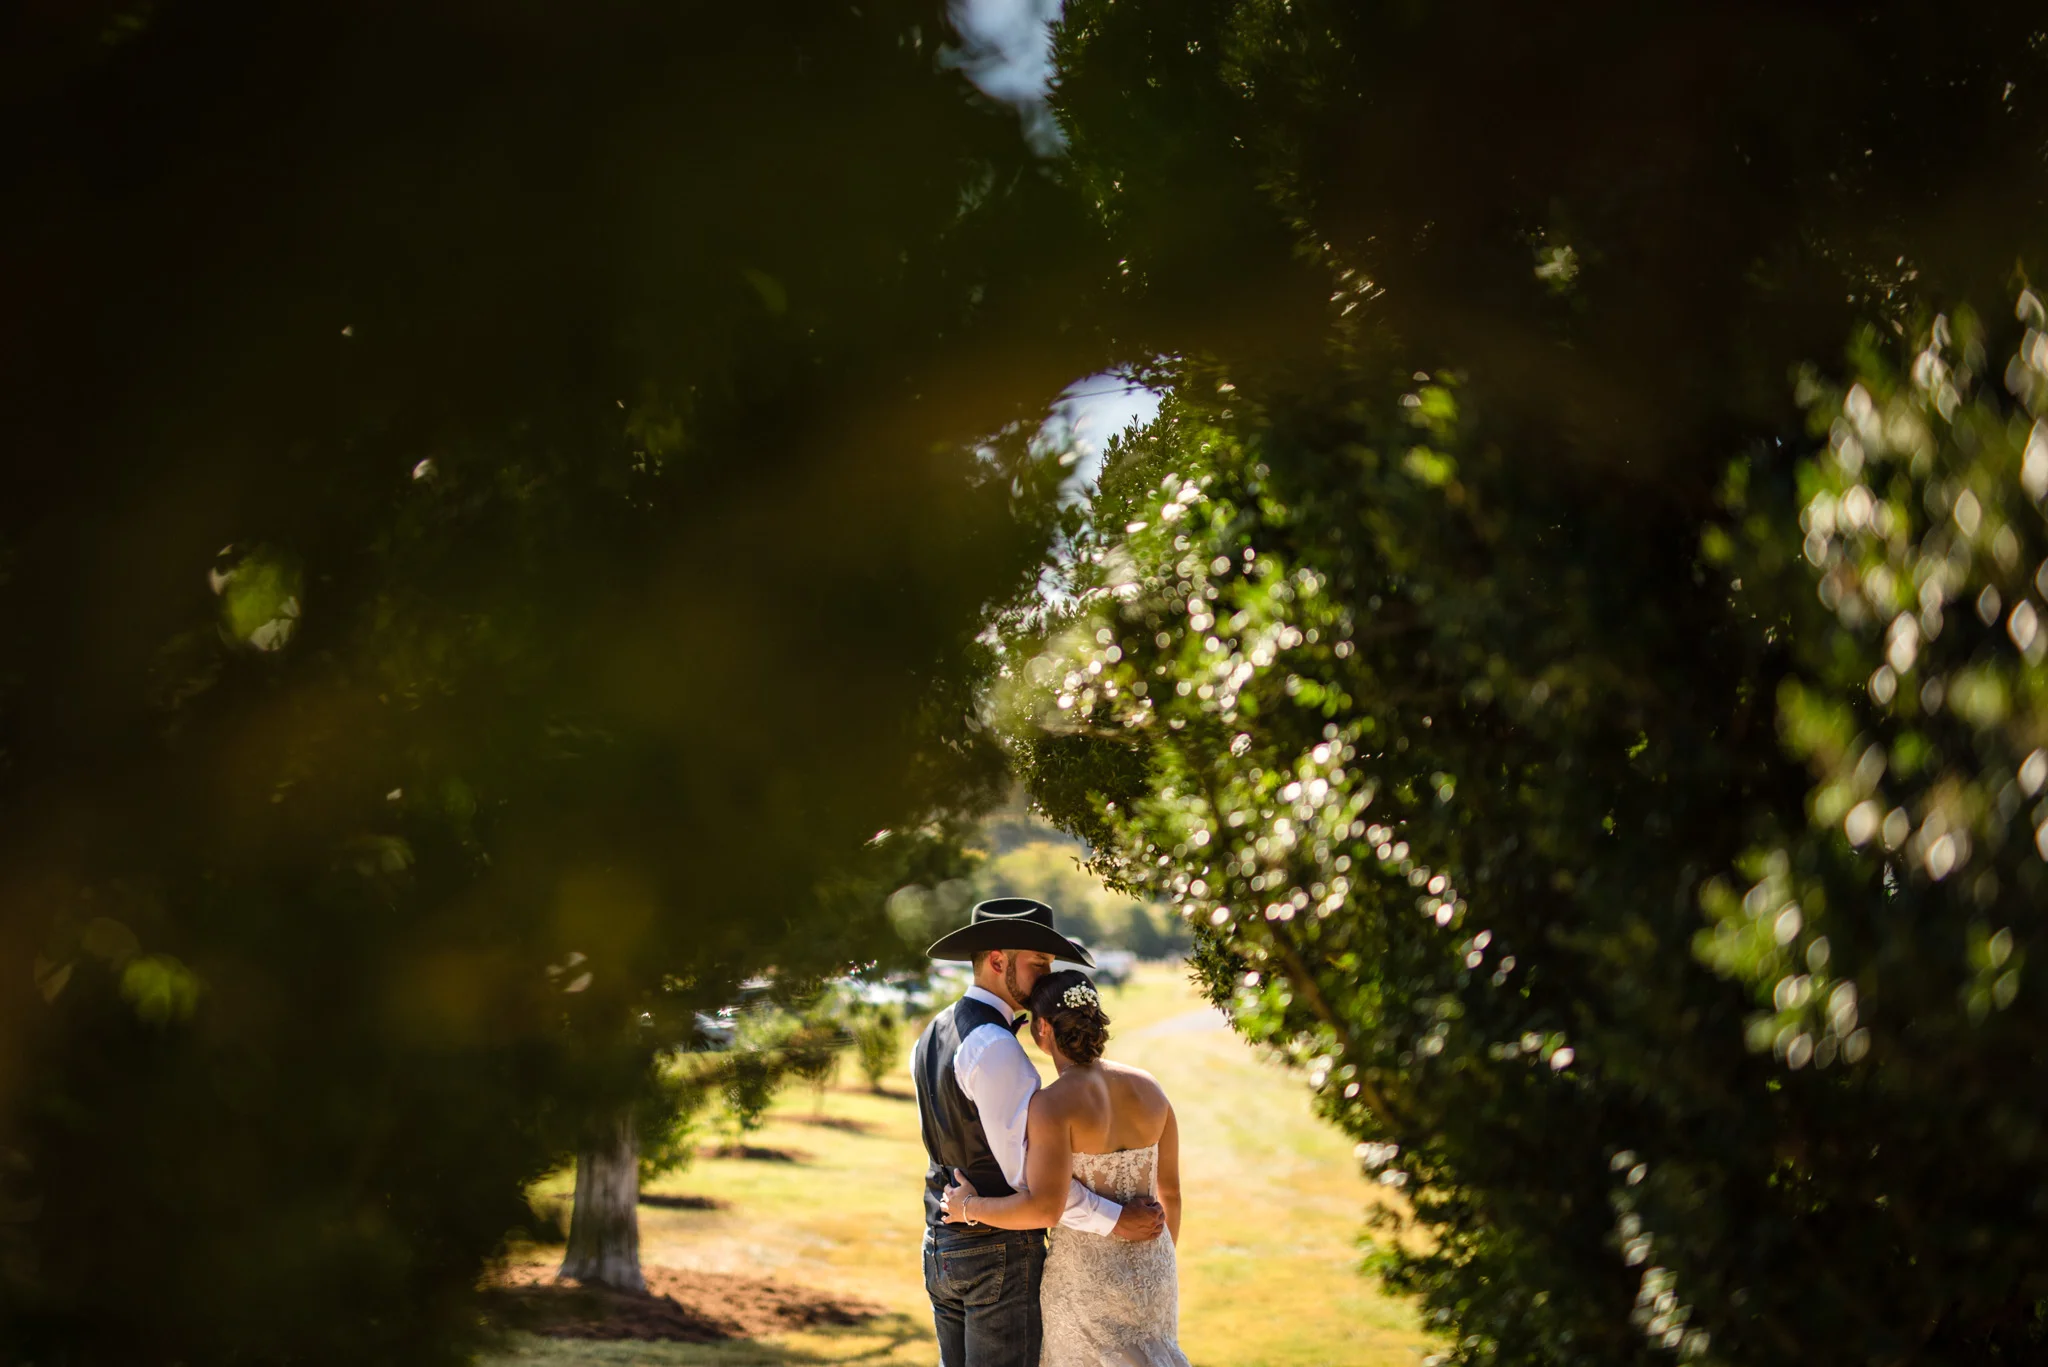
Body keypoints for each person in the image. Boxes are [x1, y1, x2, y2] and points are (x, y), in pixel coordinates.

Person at [913, 899, 1168, 1367]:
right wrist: (1116, 1219)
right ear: (996, 961)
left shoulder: (933, 1031)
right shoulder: (995, 1047)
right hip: (997, 1256)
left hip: (942, 1249)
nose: (1046, 977)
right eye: (1039, 964)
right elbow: (1030, 1185)